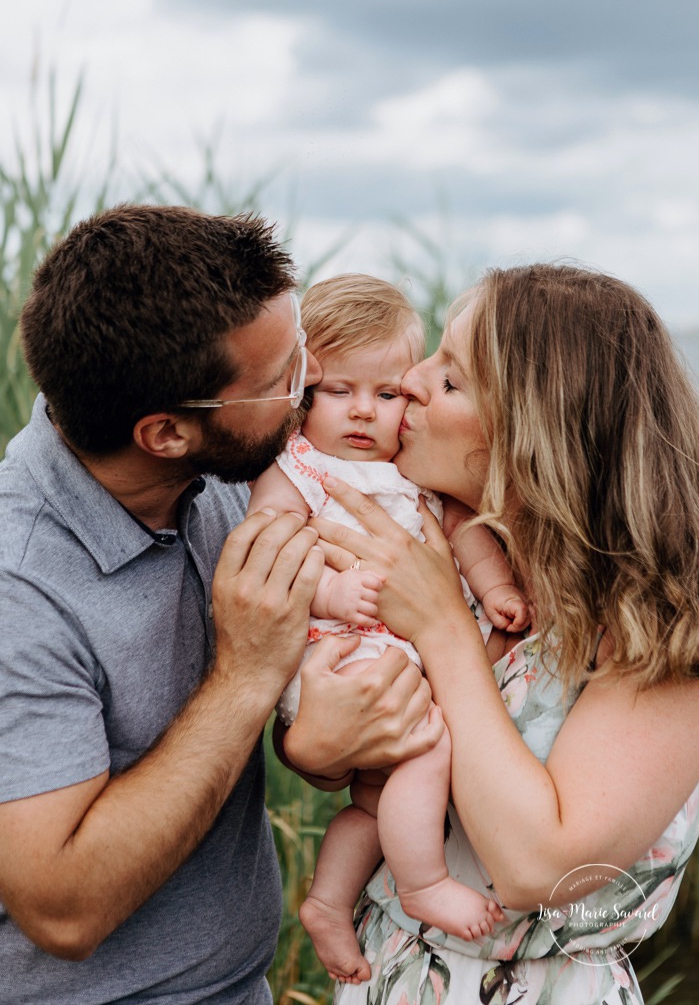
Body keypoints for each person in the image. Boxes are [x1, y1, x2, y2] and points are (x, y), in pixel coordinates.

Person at [0, 205, 441, 1005]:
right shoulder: (17, 591)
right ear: (166, 433)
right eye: (281, 382)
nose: (307, 386)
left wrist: (316, 746)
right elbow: (61, 911)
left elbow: (304, 713)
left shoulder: (227, 484)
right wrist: (244, 674)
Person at [281, 264, 699, 1004]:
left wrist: (441, 626)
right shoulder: (468, 560)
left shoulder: (661, 626)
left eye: (449, 379)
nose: (407, 380)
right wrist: (313, 748)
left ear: (535, 431)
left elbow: (539, 865)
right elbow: (363, 755)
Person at [249, 275, 528, 982]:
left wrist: (494, 588)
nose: (363, 412)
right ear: (303, 392)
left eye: (388, 392)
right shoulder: (298, 468)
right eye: (339, 390)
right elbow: (264, 544)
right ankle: (422, 883)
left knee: (375, 804)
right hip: (337, 652)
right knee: (428, 749)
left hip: (390, 655)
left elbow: (461, 532)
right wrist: (331, 587)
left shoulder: (408, 466)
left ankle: (327, 900)